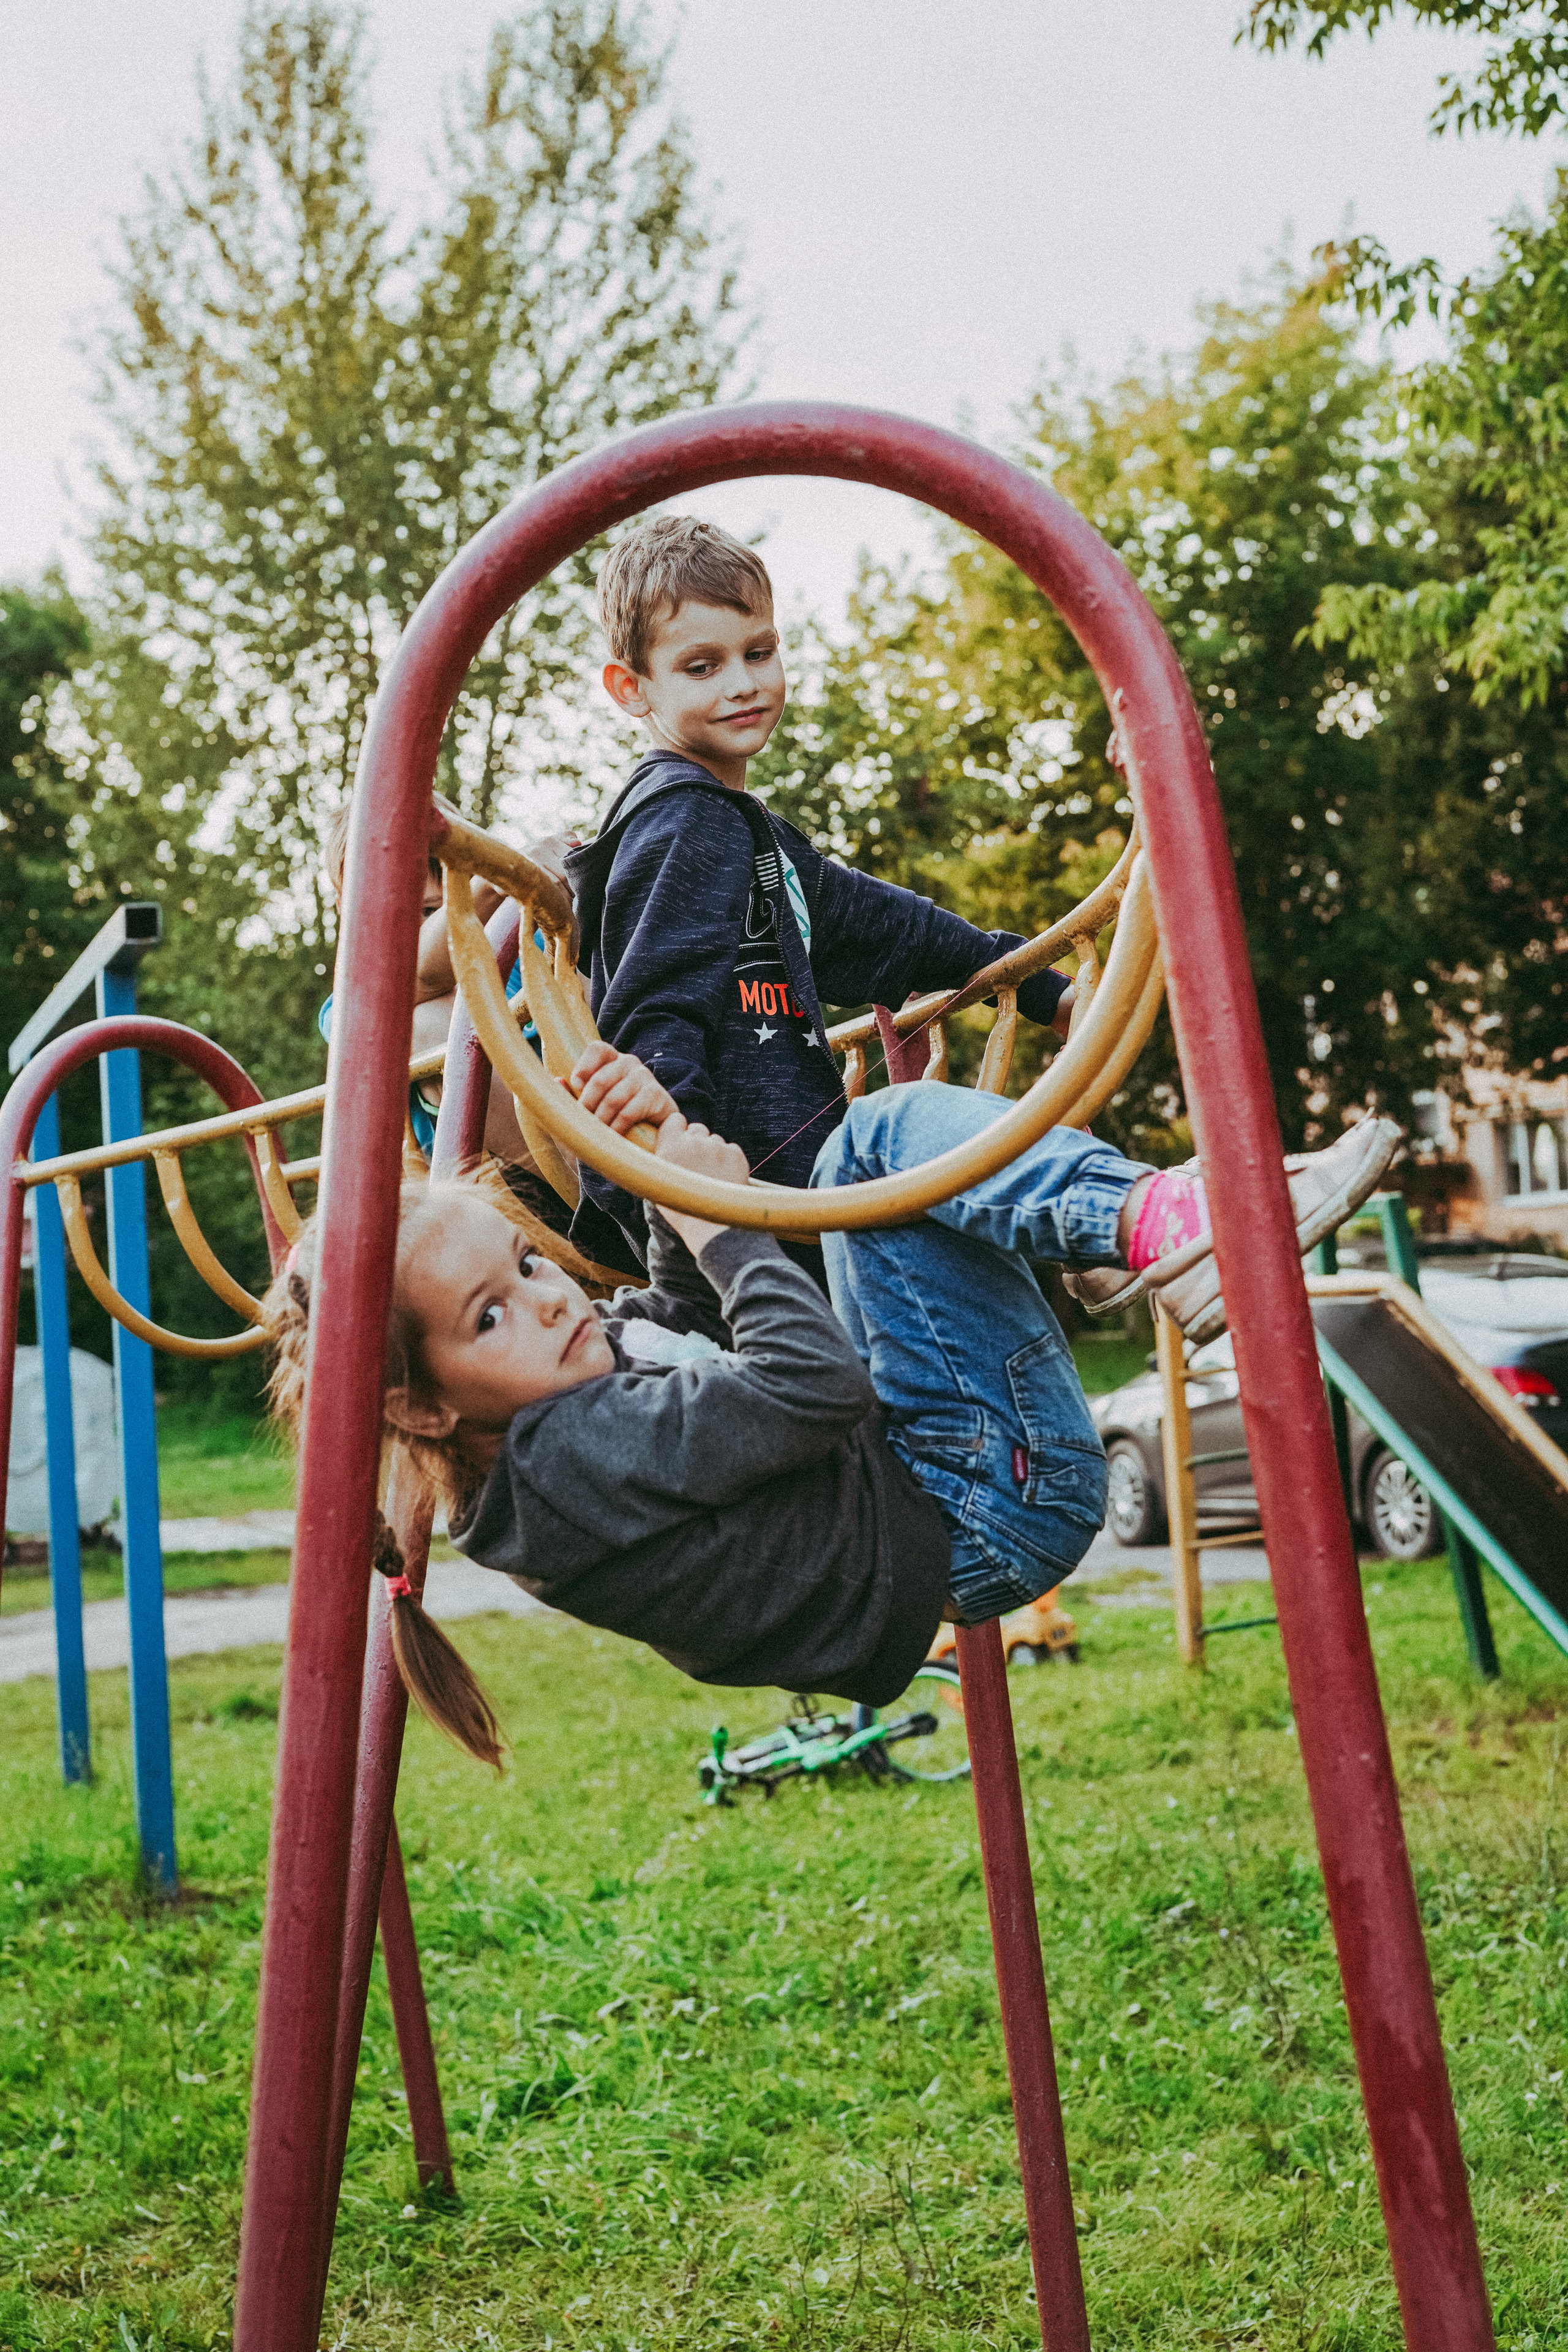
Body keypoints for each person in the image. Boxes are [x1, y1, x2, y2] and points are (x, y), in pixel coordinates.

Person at [263, 1039, 1400, 1771]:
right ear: (421, 1411)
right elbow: (810, 1387)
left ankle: (1124, 1235)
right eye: (488, 1316)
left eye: (525, 1262)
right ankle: (1145, 1228)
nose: (549, 1297)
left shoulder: (558, 1408)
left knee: (876, 1164)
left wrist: (664, 1176)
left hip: (948, 1492)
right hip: (978, 1505)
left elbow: (682, 1323)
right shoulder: (568, 1460)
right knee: (873, 1147)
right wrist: (723, 1226)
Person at [565, 516, 1081, 1278]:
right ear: (631, 689)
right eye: (701, 666)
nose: (743, 683)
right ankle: (1105, 1224)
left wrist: (1047, 992)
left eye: (759, 652)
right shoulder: (684, 818)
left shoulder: (751, 834)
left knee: (917, 1184)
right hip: (736, 1208)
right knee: (904, 1127)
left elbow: (896, 929)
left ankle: (1088, 1230)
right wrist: (690, 1210)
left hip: (783, 1205)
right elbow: (655, 1019)